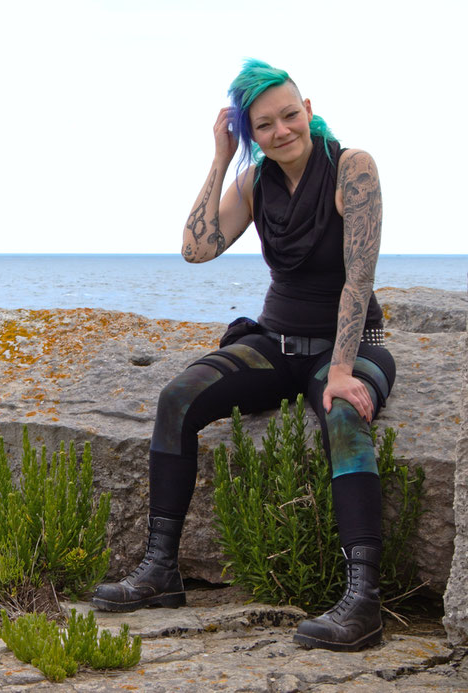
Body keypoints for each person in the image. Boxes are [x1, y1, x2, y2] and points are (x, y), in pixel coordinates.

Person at [90, 59, 396, 653]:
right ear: (250, 133)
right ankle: (160, 573)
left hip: (353, 346)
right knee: (177, 397)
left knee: (342, 416)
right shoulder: (255, 181)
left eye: (289, 115)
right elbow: (195, 249)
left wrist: (339, 371)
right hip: (274, 344)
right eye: (263, 124)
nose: (281, 130)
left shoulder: (352, 167)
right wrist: (221, 159)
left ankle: (364, 603)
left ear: (308, 110)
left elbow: (360, 276)